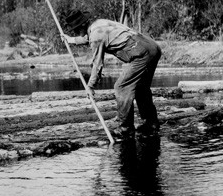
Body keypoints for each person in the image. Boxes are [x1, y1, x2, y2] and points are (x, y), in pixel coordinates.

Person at [64, 12, 162, 140]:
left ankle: (125, 128)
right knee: (140, 88)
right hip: (152, 47)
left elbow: (97, 65)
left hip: (141, 52)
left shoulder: (96, 36)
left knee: (121, 87)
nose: (76, 32)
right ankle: (151, 123)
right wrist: (70, 40)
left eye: (76, 29)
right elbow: (87, 38)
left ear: (82, 25)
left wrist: (90, 86)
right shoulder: (99, 23)